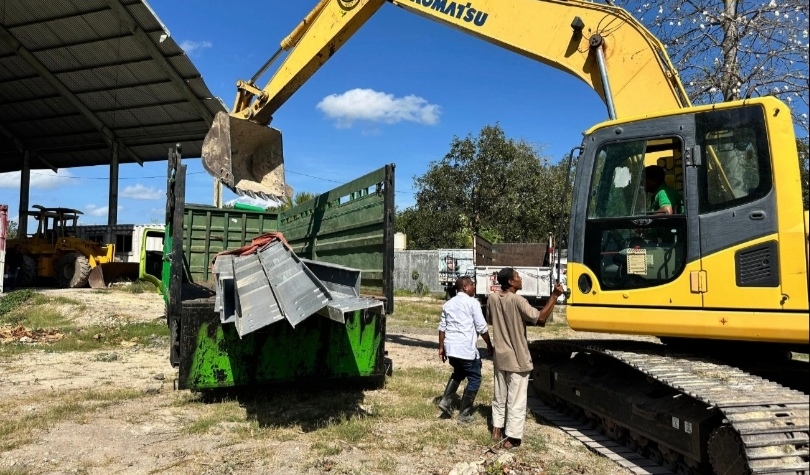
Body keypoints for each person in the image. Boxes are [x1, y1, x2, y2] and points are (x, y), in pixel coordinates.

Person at [488, 268, 564, 449]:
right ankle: (512, 438)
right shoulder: (518, 300)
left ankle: (496, 429)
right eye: (517, 277)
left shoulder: (491, 298)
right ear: (511, 283)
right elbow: (540, 318)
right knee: (516, 399)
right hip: (517, 358)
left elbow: (491, 320)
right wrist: (554, 296)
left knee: (499, 395)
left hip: (500, 355)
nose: (520, 279)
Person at [437, 276, 494, 423]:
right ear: (464, 287)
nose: (474, 287)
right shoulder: (472, 303)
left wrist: (441, 348)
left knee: (458, 372)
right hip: (465, 349)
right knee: (475, 378)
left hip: (451, 349)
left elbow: (442, 328)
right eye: (472, 285)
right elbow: (482, 327)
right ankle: (465, 414)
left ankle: (445, 401)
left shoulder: (448, 304)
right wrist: (489, 344)